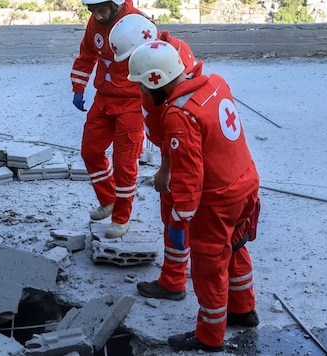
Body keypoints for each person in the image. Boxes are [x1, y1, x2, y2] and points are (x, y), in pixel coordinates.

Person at [127, 41, 262, 352]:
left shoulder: (179, 114)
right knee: (236, 245)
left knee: (208, 265)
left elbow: (189, 178)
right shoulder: (215, 82)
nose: (144, 96)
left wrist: (179, 217)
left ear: (156, 80)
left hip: (218, 199)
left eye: (144, 88)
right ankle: (243, 309)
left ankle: (209, 336)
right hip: (245, 182)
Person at [108, 14, 199, 301]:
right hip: (196, 147)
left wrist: (166, 169)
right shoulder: (177, 52)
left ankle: (174, 281)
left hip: (180, 152)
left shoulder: (155, 81)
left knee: (176, 217)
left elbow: (174, 128)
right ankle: (239, 301)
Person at [70, 0, 149, 238]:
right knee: (90, 151)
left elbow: (155, 58)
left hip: (132, 103)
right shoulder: (95, 22)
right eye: (93, 11)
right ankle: (109, 199)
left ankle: (121, 218)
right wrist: (78, 87)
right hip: (104, 98)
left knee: (125, 163)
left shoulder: (138, 23)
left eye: (102, 10)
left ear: (114, 5)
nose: (98, 16)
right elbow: (87, 54)